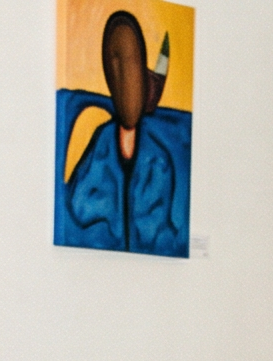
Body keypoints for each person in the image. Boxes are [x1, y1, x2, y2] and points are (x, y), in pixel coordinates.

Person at [56, 10, 189, 255]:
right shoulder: (103, 142)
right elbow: (79, 205)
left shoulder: (157, 159)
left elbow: (162, 230)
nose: (125, 83)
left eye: (131, 72)